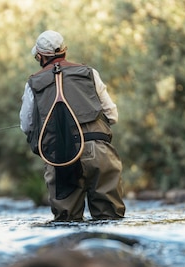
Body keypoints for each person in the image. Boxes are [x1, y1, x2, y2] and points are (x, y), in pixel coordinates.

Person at [19, 30, 126, 221]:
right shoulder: (89, 73)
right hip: (98, 150)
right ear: (65, 51)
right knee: (110, 219)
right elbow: (112, 115)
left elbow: (26, 126)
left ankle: (72, 251)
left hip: (60, 156)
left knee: (66, 222)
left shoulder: (33, 83)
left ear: (40, 56)